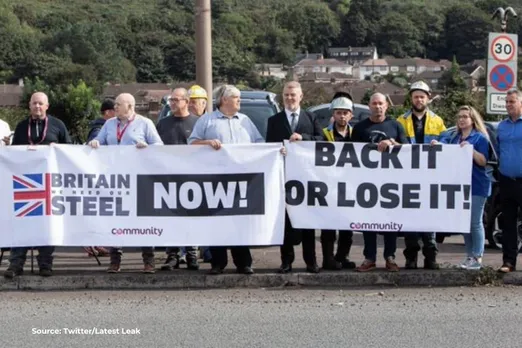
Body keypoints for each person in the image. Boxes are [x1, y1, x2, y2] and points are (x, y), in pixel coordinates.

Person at [188, 84, 264, 275]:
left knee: (240, 221)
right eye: (236, 97)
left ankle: (243, 263)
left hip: (242, 182)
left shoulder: (245, 121)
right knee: (217, 222)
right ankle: (217, 263)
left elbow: (259, 143)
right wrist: (207, 143)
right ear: (224, 100)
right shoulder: (207, 121)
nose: (240, 101)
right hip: (215, 180)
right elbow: (191, 143)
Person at [88, 93, 163, 274]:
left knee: (143, 220)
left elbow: (160, 146)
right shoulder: (109, 124)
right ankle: (115, 260)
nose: (115, 107)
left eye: (118, 104)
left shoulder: (145, 123)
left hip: (139, 180)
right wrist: (95, 142)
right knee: (116, 219)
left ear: (130, 106)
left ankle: (148, 260)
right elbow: (100, 141)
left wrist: (147, 147)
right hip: (116, 180)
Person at [4, 92, 72, 279]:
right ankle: (16, 265)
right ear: (29, 105)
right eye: (34, 103)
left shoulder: (58, 125)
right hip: (25, 184)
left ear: (47, 106)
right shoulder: (21, 127)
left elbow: (70, 150)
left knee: (47, 224)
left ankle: (45, 264)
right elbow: (14, 153)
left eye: (41, 103)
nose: (37, 107)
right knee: (21, 223)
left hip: (49, 185)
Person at [265, 80, 324, 274]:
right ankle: (286, 261)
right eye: (286, 95)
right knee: (286, 223)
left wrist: (303, 138)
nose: (289, 98)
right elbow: (268, 146)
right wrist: (277, 150)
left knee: (308, 222)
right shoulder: (274, 120)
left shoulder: (311, 117)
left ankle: (311, 262)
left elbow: (321, 141)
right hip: (284, 178)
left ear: (301, 97)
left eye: (293, 95)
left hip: (306, 178)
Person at [351, 92, 408, 272]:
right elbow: (350, 154)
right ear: (369, 106)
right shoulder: (359, 128)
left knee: (389, 222)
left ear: (386, 106)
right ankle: (369, 258)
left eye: (381, 103)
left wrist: (392, 141)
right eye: (374, 103)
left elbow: (408, 149)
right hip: (366, 183)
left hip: (390, 183)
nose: (378, 106)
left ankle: (390, 257)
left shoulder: (396, 125)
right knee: (368, 222)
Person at [432, 106, 490, 270]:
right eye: (459, 116)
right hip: (459, 186)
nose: (462, 119)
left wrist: (470, 151)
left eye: (465, 116)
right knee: (464, 222)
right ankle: (469, 255)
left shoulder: (479, 138)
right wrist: (437, 144)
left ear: (473, 119)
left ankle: (477, 257)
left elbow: (483, 161)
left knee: (475, 222)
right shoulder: (454, 137)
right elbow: (444, 147)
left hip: (477, 185)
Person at [397, 81, 446, 270]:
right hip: (408, 177)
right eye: (416, 96)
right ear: (411, 98)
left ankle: (430, 257)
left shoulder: (438, 121)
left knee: (429, 218)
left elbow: (446, 148)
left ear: (428, 97)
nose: (419, 100)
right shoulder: (401, 120)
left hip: (430, 177)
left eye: (422, 96)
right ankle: (411, 258)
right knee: (409, 220)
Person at [156, 88, 200, 271]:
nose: (172, 103)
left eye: (175, 100)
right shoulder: (163, 124)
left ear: (186, 101)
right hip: (168, 179)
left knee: (191, 218)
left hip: (192, 180)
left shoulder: (197, 123)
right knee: (170, 218)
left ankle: (191, 254)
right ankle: (172, 255)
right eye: (170, 100)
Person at [320, 96, 356, 270]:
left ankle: (342, 256)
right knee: (328, 225)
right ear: (333, 115)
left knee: (347, 225)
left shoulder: (356, 134)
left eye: (345, 113)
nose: (342, 116)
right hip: (329, 186)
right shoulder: (323, 134)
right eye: (339, 113)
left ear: (351, 115)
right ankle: (328, 258)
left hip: (349, 186)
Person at [83, 98, 116, 257]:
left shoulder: (99, 126)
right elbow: (93, 145)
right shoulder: (100, 128)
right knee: (101, 210)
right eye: (114, 110)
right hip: (101, 176)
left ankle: (96, 242)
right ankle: (96, 243)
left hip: (100, 176)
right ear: (109, 112)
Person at [496, 89, 522, 273]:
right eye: (506, 102)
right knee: (508, 223)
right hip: (506, 180)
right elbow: (498, 150)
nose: (508, 105)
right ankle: (509, 262)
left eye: (512, 101)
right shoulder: (501, 126)